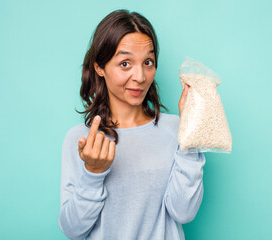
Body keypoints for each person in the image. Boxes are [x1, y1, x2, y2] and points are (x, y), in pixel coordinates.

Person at [58, 9, 206, 240]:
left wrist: (189, 136)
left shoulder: (176, 129)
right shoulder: (82, 140)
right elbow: (73, 230)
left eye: (148, 62)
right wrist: (93, 173)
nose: (140, 76)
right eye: (125, 63)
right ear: (99, 67)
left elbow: (184, 212)